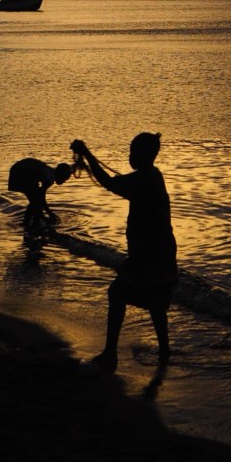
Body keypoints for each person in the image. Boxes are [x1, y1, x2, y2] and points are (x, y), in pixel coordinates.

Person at [70, 133, 177, 372]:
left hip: (149, 256)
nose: (130, 156)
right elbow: (114, 183)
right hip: (162, 253)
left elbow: (108, 182)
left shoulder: (144, 180)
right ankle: (164, 352)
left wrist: (86, 153)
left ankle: (110, 354)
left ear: (145, 154)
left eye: (133, 152)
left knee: (117, 293)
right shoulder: (153, 176)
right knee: (156, 305)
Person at [8, 156, 73, 230]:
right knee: (35, 202)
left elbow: (40, 196)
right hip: (21, 173)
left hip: (21, 171)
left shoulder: (49, 172)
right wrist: (49, 213)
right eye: (65, 179)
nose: (64, 181)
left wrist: (46, 212)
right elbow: (41, 196)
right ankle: (32, 225)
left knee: (35, 201)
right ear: (61, 175)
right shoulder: (49, 177)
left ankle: (28, 224)